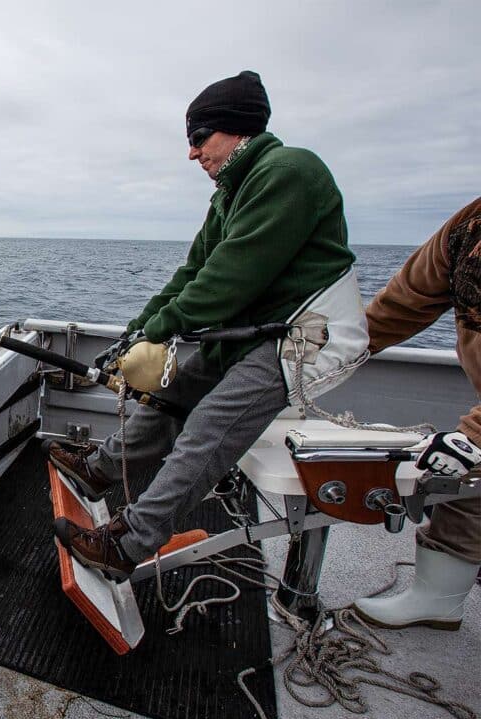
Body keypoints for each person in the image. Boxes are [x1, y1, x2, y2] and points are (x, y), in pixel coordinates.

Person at [49, 71, 361, 580]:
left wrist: (163, 328)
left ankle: (128, 544)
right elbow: (193, 272)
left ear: (238, 130)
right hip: (257, 331)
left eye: (199, 138)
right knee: (179, 391)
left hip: (307, 339)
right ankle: (99, 469)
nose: (193, 154)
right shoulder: (230, 193)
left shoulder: (288, 171)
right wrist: (139, 328)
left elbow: (229, 277)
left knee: (209, 423)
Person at [354, 198, 481, 630]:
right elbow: (401, 305)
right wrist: (329, 355)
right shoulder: (469, 227)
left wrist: (477, 436)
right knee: (470, 489)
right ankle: (437, 600)